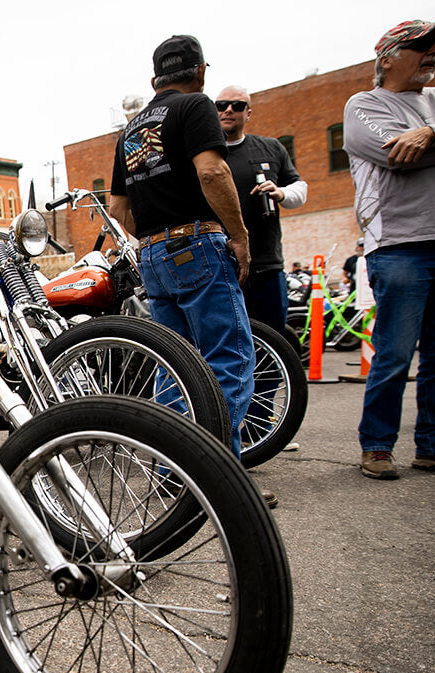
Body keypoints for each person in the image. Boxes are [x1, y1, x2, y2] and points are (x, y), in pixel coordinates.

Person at [109, 35, 258, 467]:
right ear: (200, 71)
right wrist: (239, 235)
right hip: (197, 245)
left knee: (174, 367)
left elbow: (120, 208)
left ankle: (173, 471)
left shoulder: (130, 131)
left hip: (153, 256)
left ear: (155, 77)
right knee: (227, 360)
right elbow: (212, 171)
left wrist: (156, 237)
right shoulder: (196, 106)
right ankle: (216, 473)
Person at [344, 18, 435, 479]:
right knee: (395, 352)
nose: (433, 52)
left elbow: (418, 149)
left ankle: (434, 445)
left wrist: (431, 134)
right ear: (387, 58)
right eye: (421, 46)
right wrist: (425, 140)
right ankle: (378, 445)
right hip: (400, 245)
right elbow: (393, 155)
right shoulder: (363, 104)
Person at [215, 85, 308, 333]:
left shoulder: (270, 148)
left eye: (238, 105)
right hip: (220, 268)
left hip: (266, 265)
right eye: (221, 105)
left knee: (272, 337)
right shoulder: (205, 156)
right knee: (227, 341)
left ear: (249, 113)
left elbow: (299, 188)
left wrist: (281, 192)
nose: (229, 110)